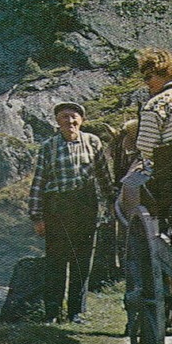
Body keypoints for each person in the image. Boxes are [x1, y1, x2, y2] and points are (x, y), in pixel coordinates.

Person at [28, 101, 113, 323]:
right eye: (64, 117)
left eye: (74, 117)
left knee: (82, 261)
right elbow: (38, 182)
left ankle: (77, 312)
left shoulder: (92, 142)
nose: (70, 121)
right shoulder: (48, 146)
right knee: (56, 261)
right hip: (56, 208)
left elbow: (104, 176)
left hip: (85, 206)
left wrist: (113, 203)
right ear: (57, 121)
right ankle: (52, 313)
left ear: (82, 120)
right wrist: (37, 217)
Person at [118, 48, 172, 222]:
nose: (146, 83)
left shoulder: (154, 105)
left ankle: (134, 231)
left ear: (166, 73)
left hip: (169, 169)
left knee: (128, 184)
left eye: (149, 77)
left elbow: (146, 147)